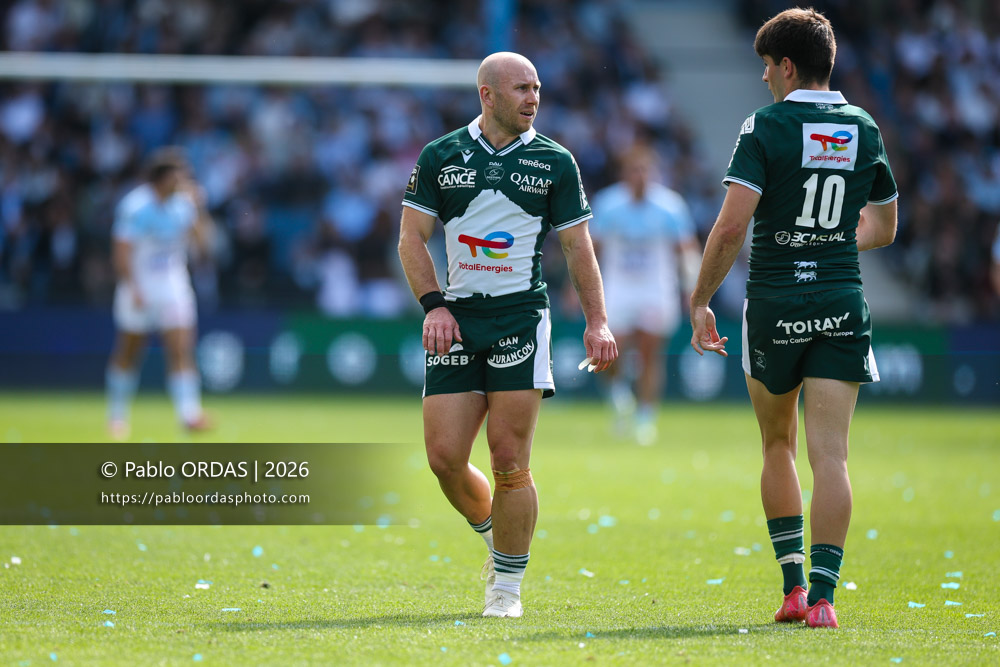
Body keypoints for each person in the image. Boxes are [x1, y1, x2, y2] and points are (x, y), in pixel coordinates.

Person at [689, 8, 898, 629]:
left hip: (776, 301)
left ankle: (793, 591)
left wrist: (700, 299)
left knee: (777, 442)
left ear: (785, 66)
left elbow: (731, 227)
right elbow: (884, 228)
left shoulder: (767, 125)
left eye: (765, 68)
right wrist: (829, 243)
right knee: (831, 457)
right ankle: (827, 599)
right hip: (840, 298)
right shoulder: (864, 125)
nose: (762, 80)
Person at [398, 51, 617, 618]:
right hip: (457, 321)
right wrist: (433, 307)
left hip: (522, 318)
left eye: (537, 88)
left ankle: (507, 589)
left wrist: (597, 320)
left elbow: (577, 246)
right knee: (445, 457)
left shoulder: (554, 162)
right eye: (521, 88)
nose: (533, 98)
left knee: (509, 458)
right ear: (487, 95)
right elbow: (411, 238)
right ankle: (499, 535)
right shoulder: (441, 156)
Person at [590, 144, 702, 445]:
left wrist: (694, 290)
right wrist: (576, 289)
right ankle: (619, 396)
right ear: (625, 173)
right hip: (618, 287)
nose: (639, 176)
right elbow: (590, 251)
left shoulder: (670, 206)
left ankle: (645, 418)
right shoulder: (607, 203)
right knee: (607, 354)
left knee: (650, 353)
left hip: (655, 287)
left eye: (645, 170)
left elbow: (687, 250)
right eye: (634, 170)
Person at [106, 148, 213, 439]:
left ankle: (189, 414)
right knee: (129, 350)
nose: (183, 181)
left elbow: (204, 246)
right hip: (139, 286)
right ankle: (117, 415)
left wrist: (199, 209)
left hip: (173, 285)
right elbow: (121, 251)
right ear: (163, 177)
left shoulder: (184, 204)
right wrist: (133, 288)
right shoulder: (136, 207)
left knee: (180, 348)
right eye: (178, 175)